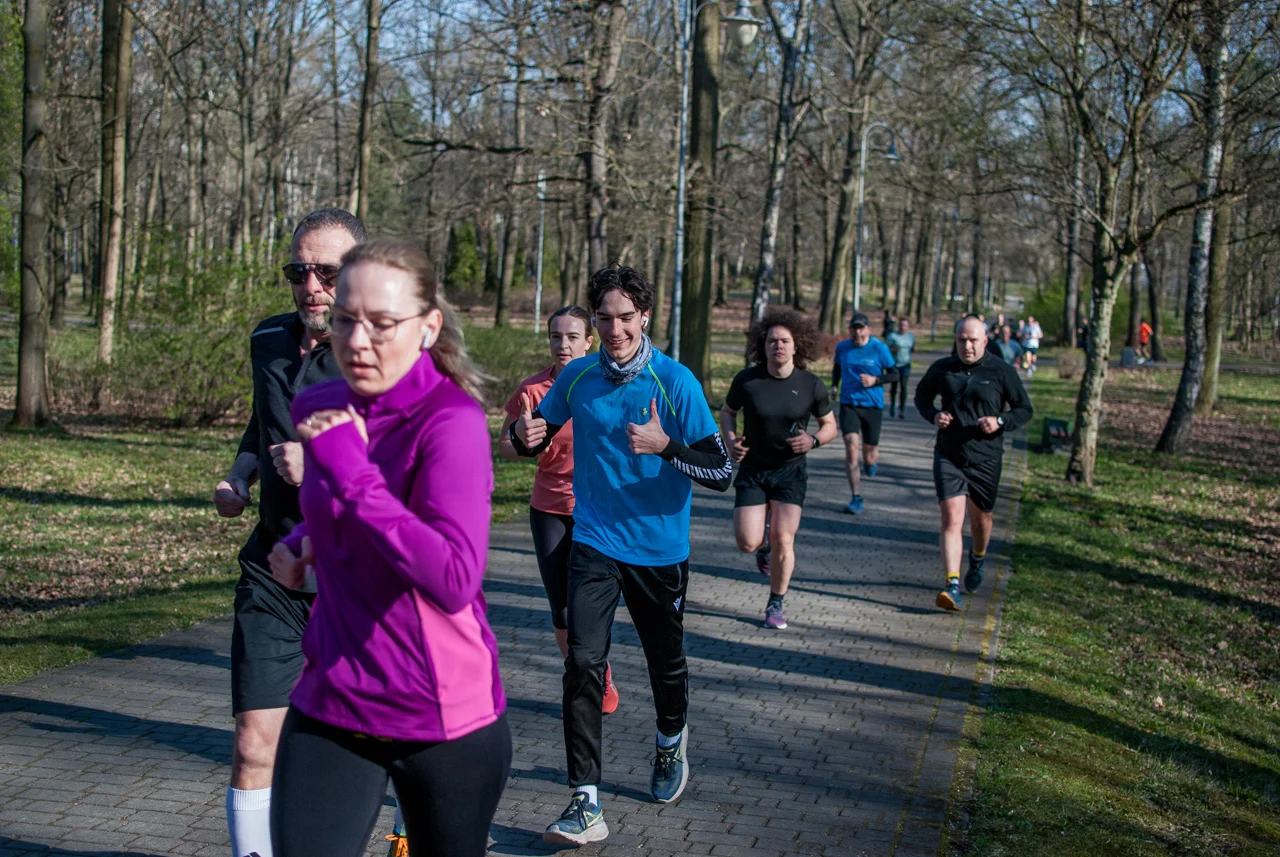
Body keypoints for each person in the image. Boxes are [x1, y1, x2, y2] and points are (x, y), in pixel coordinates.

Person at [265, 238, 510, 857]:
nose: (358, 340)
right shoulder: (319, 404)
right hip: (335, 694)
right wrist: (303, 545)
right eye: (346, 320)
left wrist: (352, 474)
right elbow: (334, 515)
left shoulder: (448, 422)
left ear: (427, 327)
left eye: (382, 324)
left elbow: (454, 577)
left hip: (440, 711)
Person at [509, 266, 732, 846]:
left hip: (659, 550)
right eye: (604, 318)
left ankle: (669, 741)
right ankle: (584, 800)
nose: (614, 329)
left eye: (625, 318)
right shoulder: (579, 375)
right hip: (593, 541)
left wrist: (666, 447)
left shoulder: (674, 381)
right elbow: (536, 429)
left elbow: (721, 472)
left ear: (645, 318)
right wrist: (519, 435)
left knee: (666, 662)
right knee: (582, 662)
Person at [213, 208, 365, 857]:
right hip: (273, 568)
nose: (311, 285)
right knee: (253, 742)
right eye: (298, 271)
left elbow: (410, 459)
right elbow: (261, 423)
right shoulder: (267, 340)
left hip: (357, 579)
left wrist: (325, 461)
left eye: (327, 272)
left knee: (356, 752)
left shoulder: (380, 354)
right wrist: (240, 473)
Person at [498, 306, 620, 715]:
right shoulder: (532, 390)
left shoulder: (606, 383)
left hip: (598, 509)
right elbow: (505, 446)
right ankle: (583, 671)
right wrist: (520, 437)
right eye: (555, 336)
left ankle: (593, 669)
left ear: (590, 341)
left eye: (571, 337)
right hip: (549, 506)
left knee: (592, 602)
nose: (562, 344)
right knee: (563, 607)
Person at [720, 308, 839, 630]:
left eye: (784, 341)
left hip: (790, 472)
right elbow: (728, 412)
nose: (778, 346)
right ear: (764, 344)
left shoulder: (811, 384)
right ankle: (764, 547)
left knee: (784, 537)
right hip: (754, 470)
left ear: (796, 345)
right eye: (772, 341)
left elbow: (830, 426)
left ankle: (775, 603)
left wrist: (813, 441)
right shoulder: (748, 380)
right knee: (747, 542)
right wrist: (731, 440)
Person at [914, 316, 1033, 613]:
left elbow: (1024, 409)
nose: (967, 346)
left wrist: (1000, 421)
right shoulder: (943, 368)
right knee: (952, 518)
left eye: (973, 340)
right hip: (949, 454)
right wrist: (934, 416)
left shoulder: (1001, 371)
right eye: (961, 340)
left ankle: (977, 558)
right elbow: (922, 397)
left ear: (984, 341)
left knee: (981, 520)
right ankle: (952, 585)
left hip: (986, 457)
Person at [830, 312, 898, 515]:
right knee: (851, 448)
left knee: (869, 454)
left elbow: (894, 375)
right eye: (854, 328)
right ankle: (856, 497)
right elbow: (837, 368)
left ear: (868, 329)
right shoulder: (842, 347)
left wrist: (875, 380)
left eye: (861, 328)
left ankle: (870, 463)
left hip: (873, 406)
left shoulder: (879, 348)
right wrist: (834, 386)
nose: (857, 332)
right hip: (849, 404)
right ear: (850, 330)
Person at [884, 317, 916, 420]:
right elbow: (885, 350)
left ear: (908, 327)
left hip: (905, 364)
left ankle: (901, 409)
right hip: (894, 365)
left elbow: (912, 347)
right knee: (894, 387)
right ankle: (892, 406)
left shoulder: (910, 336)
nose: (903, 327)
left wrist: (914, 349)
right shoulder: (892, 336)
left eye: (905, 325)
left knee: (904, 387)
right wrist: (894, 349)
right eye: (901, 325)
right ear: (898, 326)